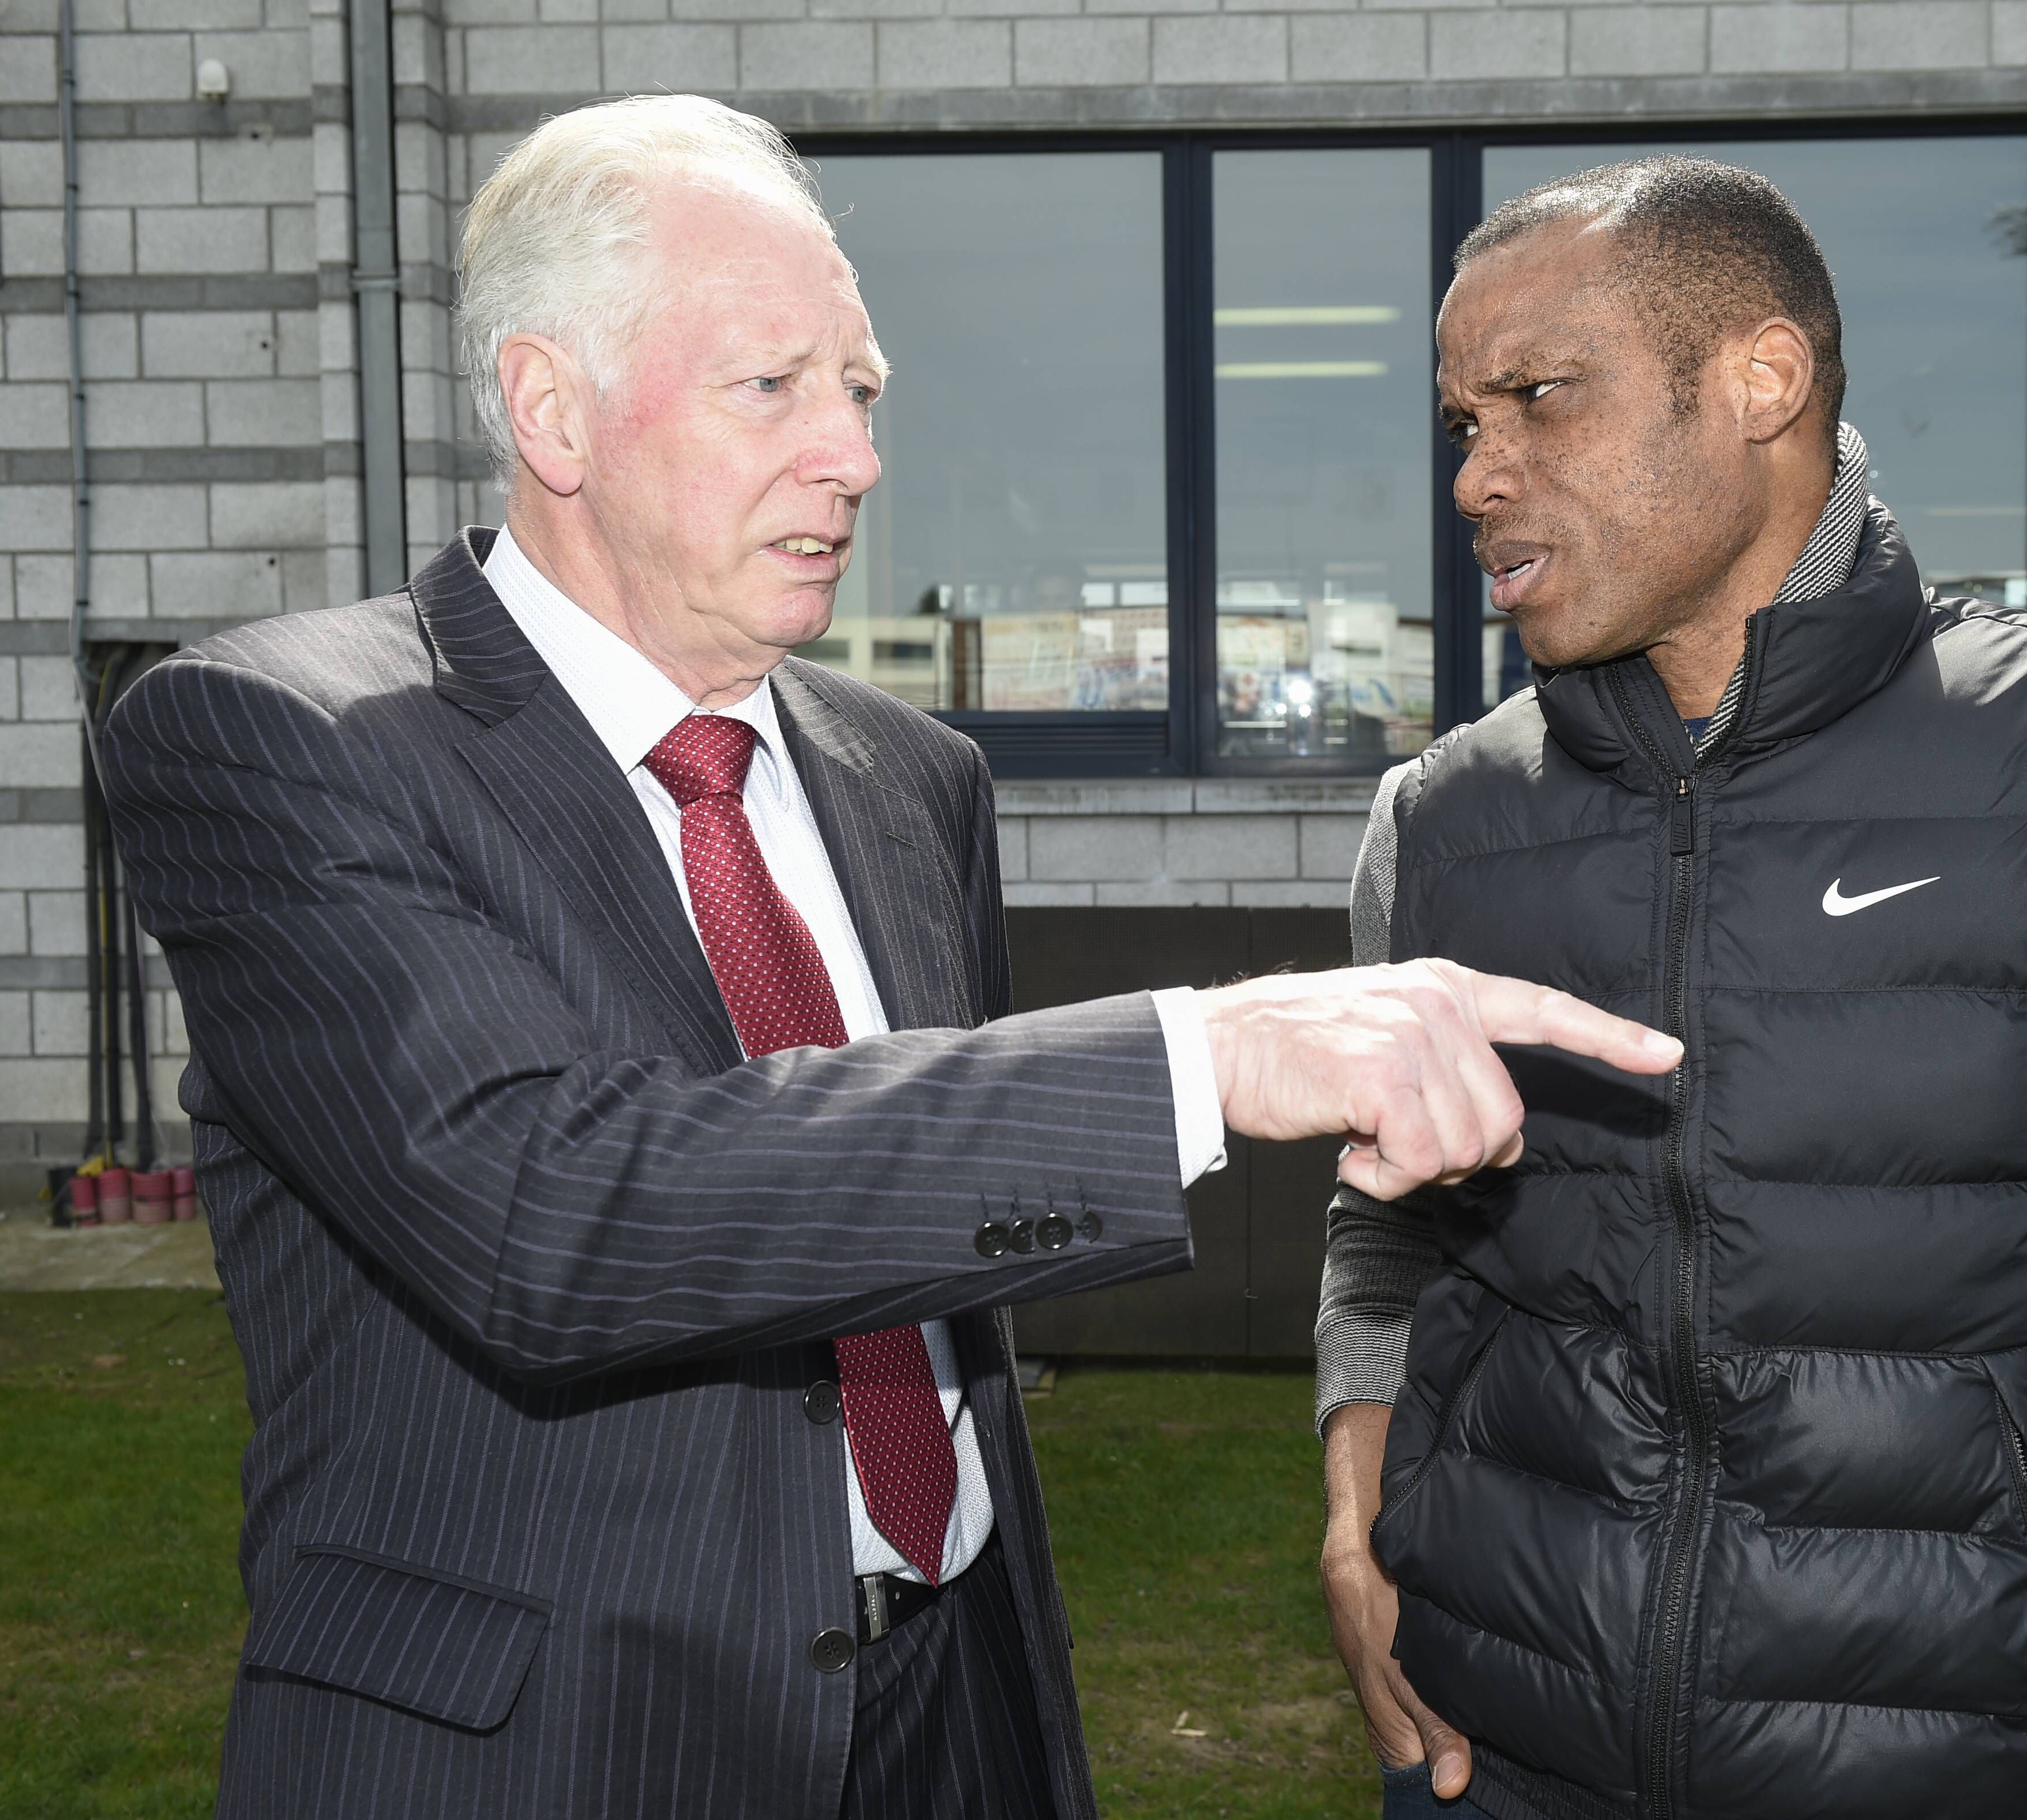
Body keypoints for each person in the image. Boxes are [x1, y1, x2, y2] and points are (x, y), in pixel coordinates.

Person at [100, 98, 1680, 1820]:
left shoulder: (910, 778)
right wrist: (1197, 1056)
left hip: (955, 1711)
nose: (850, 457)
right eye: (769, 386)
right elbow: (545, 1216)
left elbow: (908, 1209)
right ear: (549, 408)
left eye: (858, 393)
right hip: (555, 1750)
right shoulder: (280, 736)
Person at [1314, 158, 2027, 1820]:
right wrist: (1352, 1531)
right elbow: (1385, 1230)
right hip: (1490, 1761)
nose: (1479, 477)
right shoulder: (1441, 819)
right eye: (1463, 424)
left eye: (1538, 399)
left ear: (1763, 380)